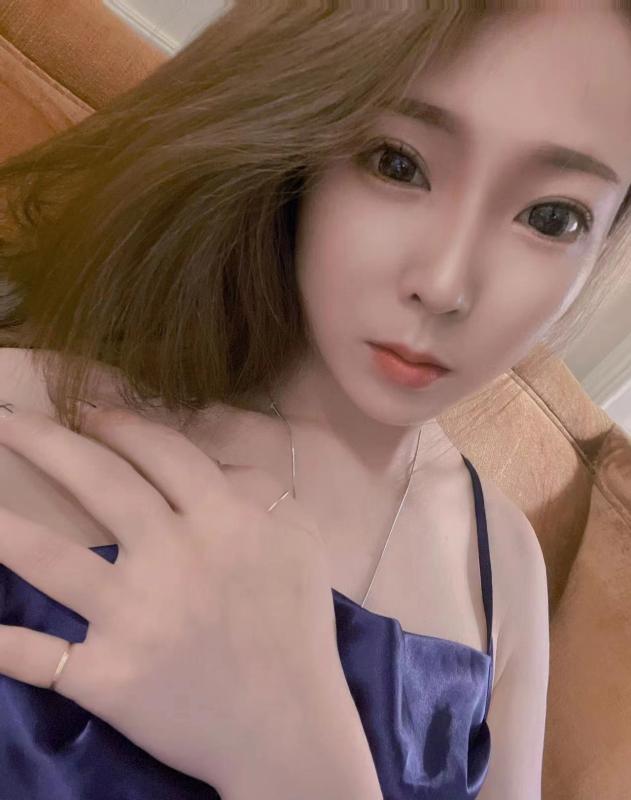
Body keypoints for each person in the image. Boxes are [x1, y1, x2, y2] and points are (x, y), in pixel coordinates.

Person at [0, 2, 629, 799]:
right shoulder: (36, 407)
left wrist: (294, 763)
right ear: (303, 135)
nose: (444, 284)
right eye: (396, 164)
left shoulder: (503, 561)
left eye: (551, 217)